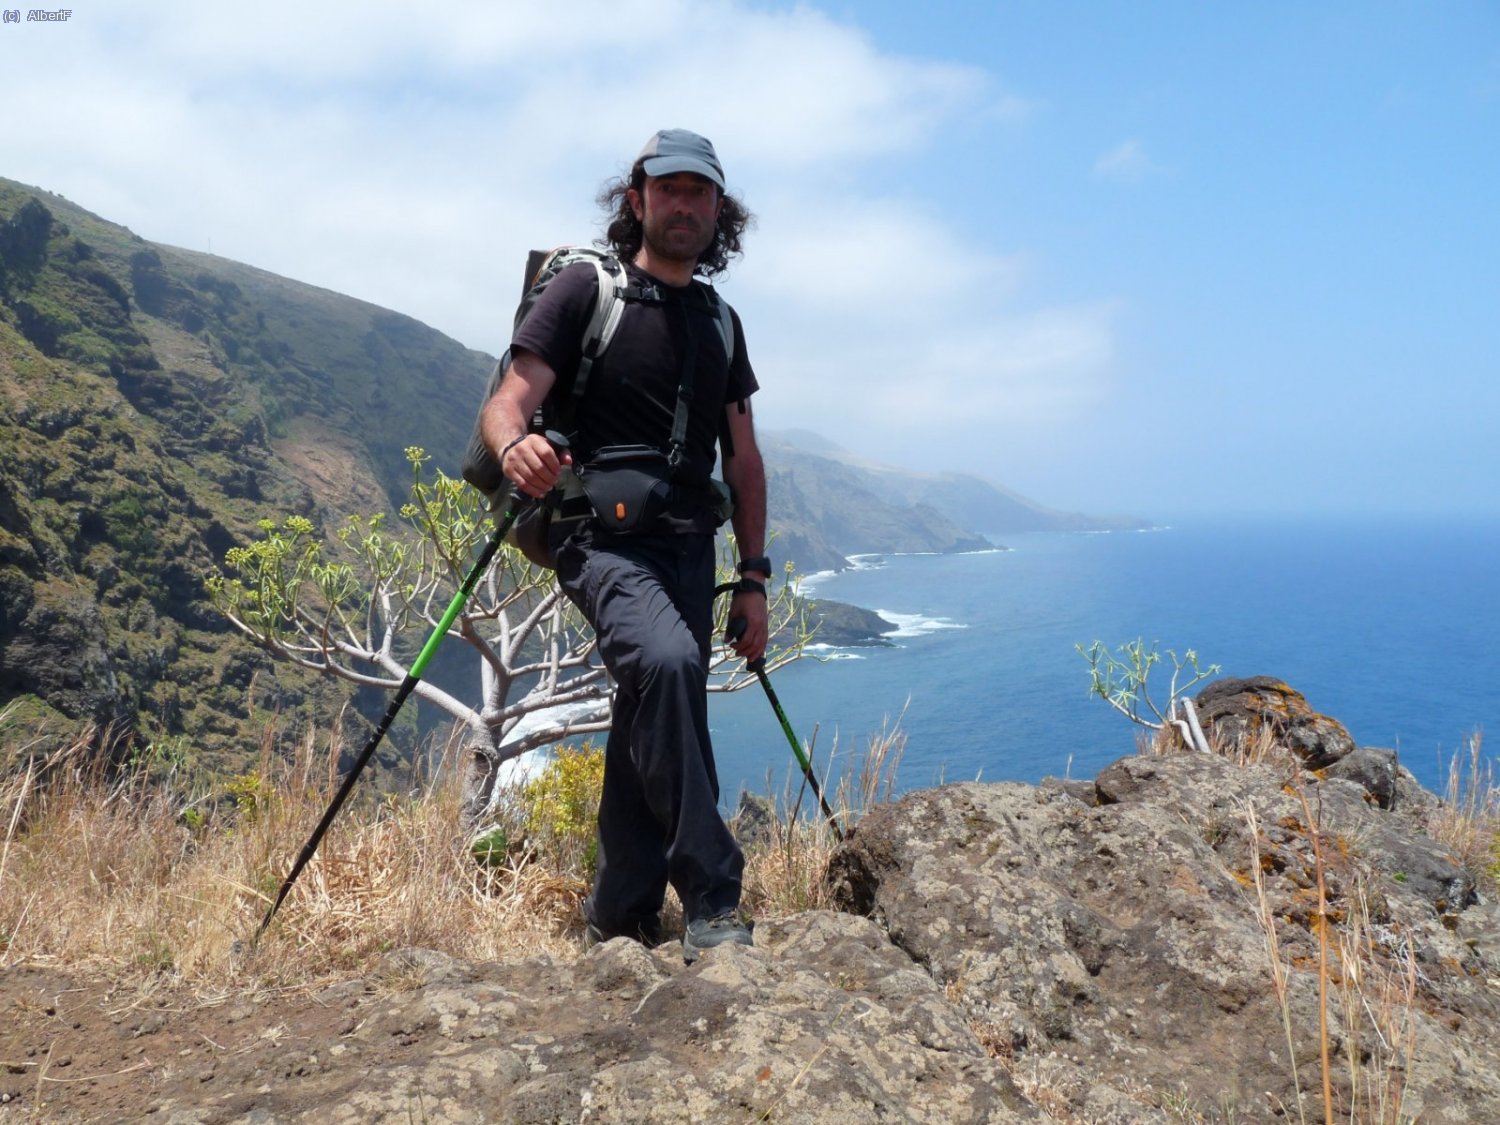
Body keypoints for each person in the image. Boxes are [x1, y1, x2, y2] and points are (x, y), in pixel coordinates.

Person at [479, 129, 770, 962]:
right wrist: (514, 449)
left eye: (700, 193)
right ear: (636, 198)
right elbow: (510, 400)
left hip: (689, 545)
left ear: (720, 211)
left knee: (652, 698)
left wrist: (753, 577)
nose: (684, 205)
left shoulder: (720, 320)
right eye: (668, 189)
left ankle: (621, 913)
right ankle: (714, 895)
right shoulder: (585, 290)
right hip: (596, 538)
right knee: (671, 665)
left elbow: (743, 459)